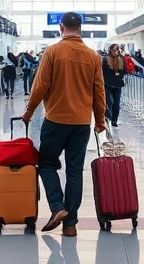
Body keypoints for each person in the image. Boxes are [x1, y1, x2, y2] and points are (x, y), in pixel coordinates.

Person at [22, 12, 106, 238]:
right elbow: (98, 91)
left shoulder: (53, 51)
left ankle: (57, 207)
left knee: (47, 164)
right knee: (75, 171)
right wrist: (99, 119)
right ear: (80, 28)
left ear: (61, 27)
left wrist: (29, 110)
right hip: (81, 122)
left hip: (56, 120)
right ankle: (70, 224)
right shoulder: (93, 57)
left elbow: (41, 85)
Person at [102, 44, 126, 127]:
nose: (115, 52)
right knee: (110, 102)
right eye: (114, 50)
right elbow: (103, 72)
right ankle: (109, 117)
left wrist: (119, 75)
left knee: (117, 103)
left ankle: (114, 120)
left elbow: (124, 71)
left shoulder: (121, 60)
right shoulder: (105, 60)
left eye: (117, 50)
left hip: (118, 84)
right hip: (108, 84)